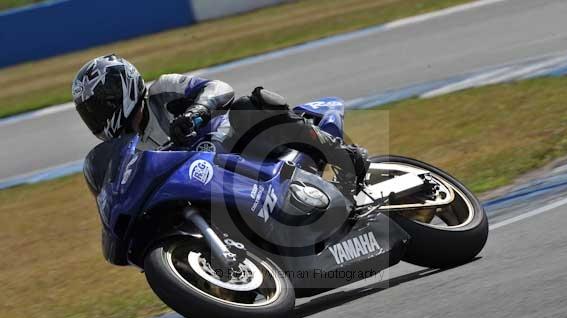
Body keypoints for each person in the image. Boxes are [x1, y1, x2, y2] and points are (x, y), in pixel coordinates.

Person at [73, 54, 368, 194]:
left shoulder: (163, 91)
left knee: (247, 105)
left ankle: (342, 154)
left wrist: (194, 114)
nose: (98, 118)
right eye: (90, 113)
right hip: (207, 182)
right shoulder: (128, 149)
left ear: (122, 90)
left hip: (235, 141)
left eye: (100, 107)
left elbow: (219, 88)